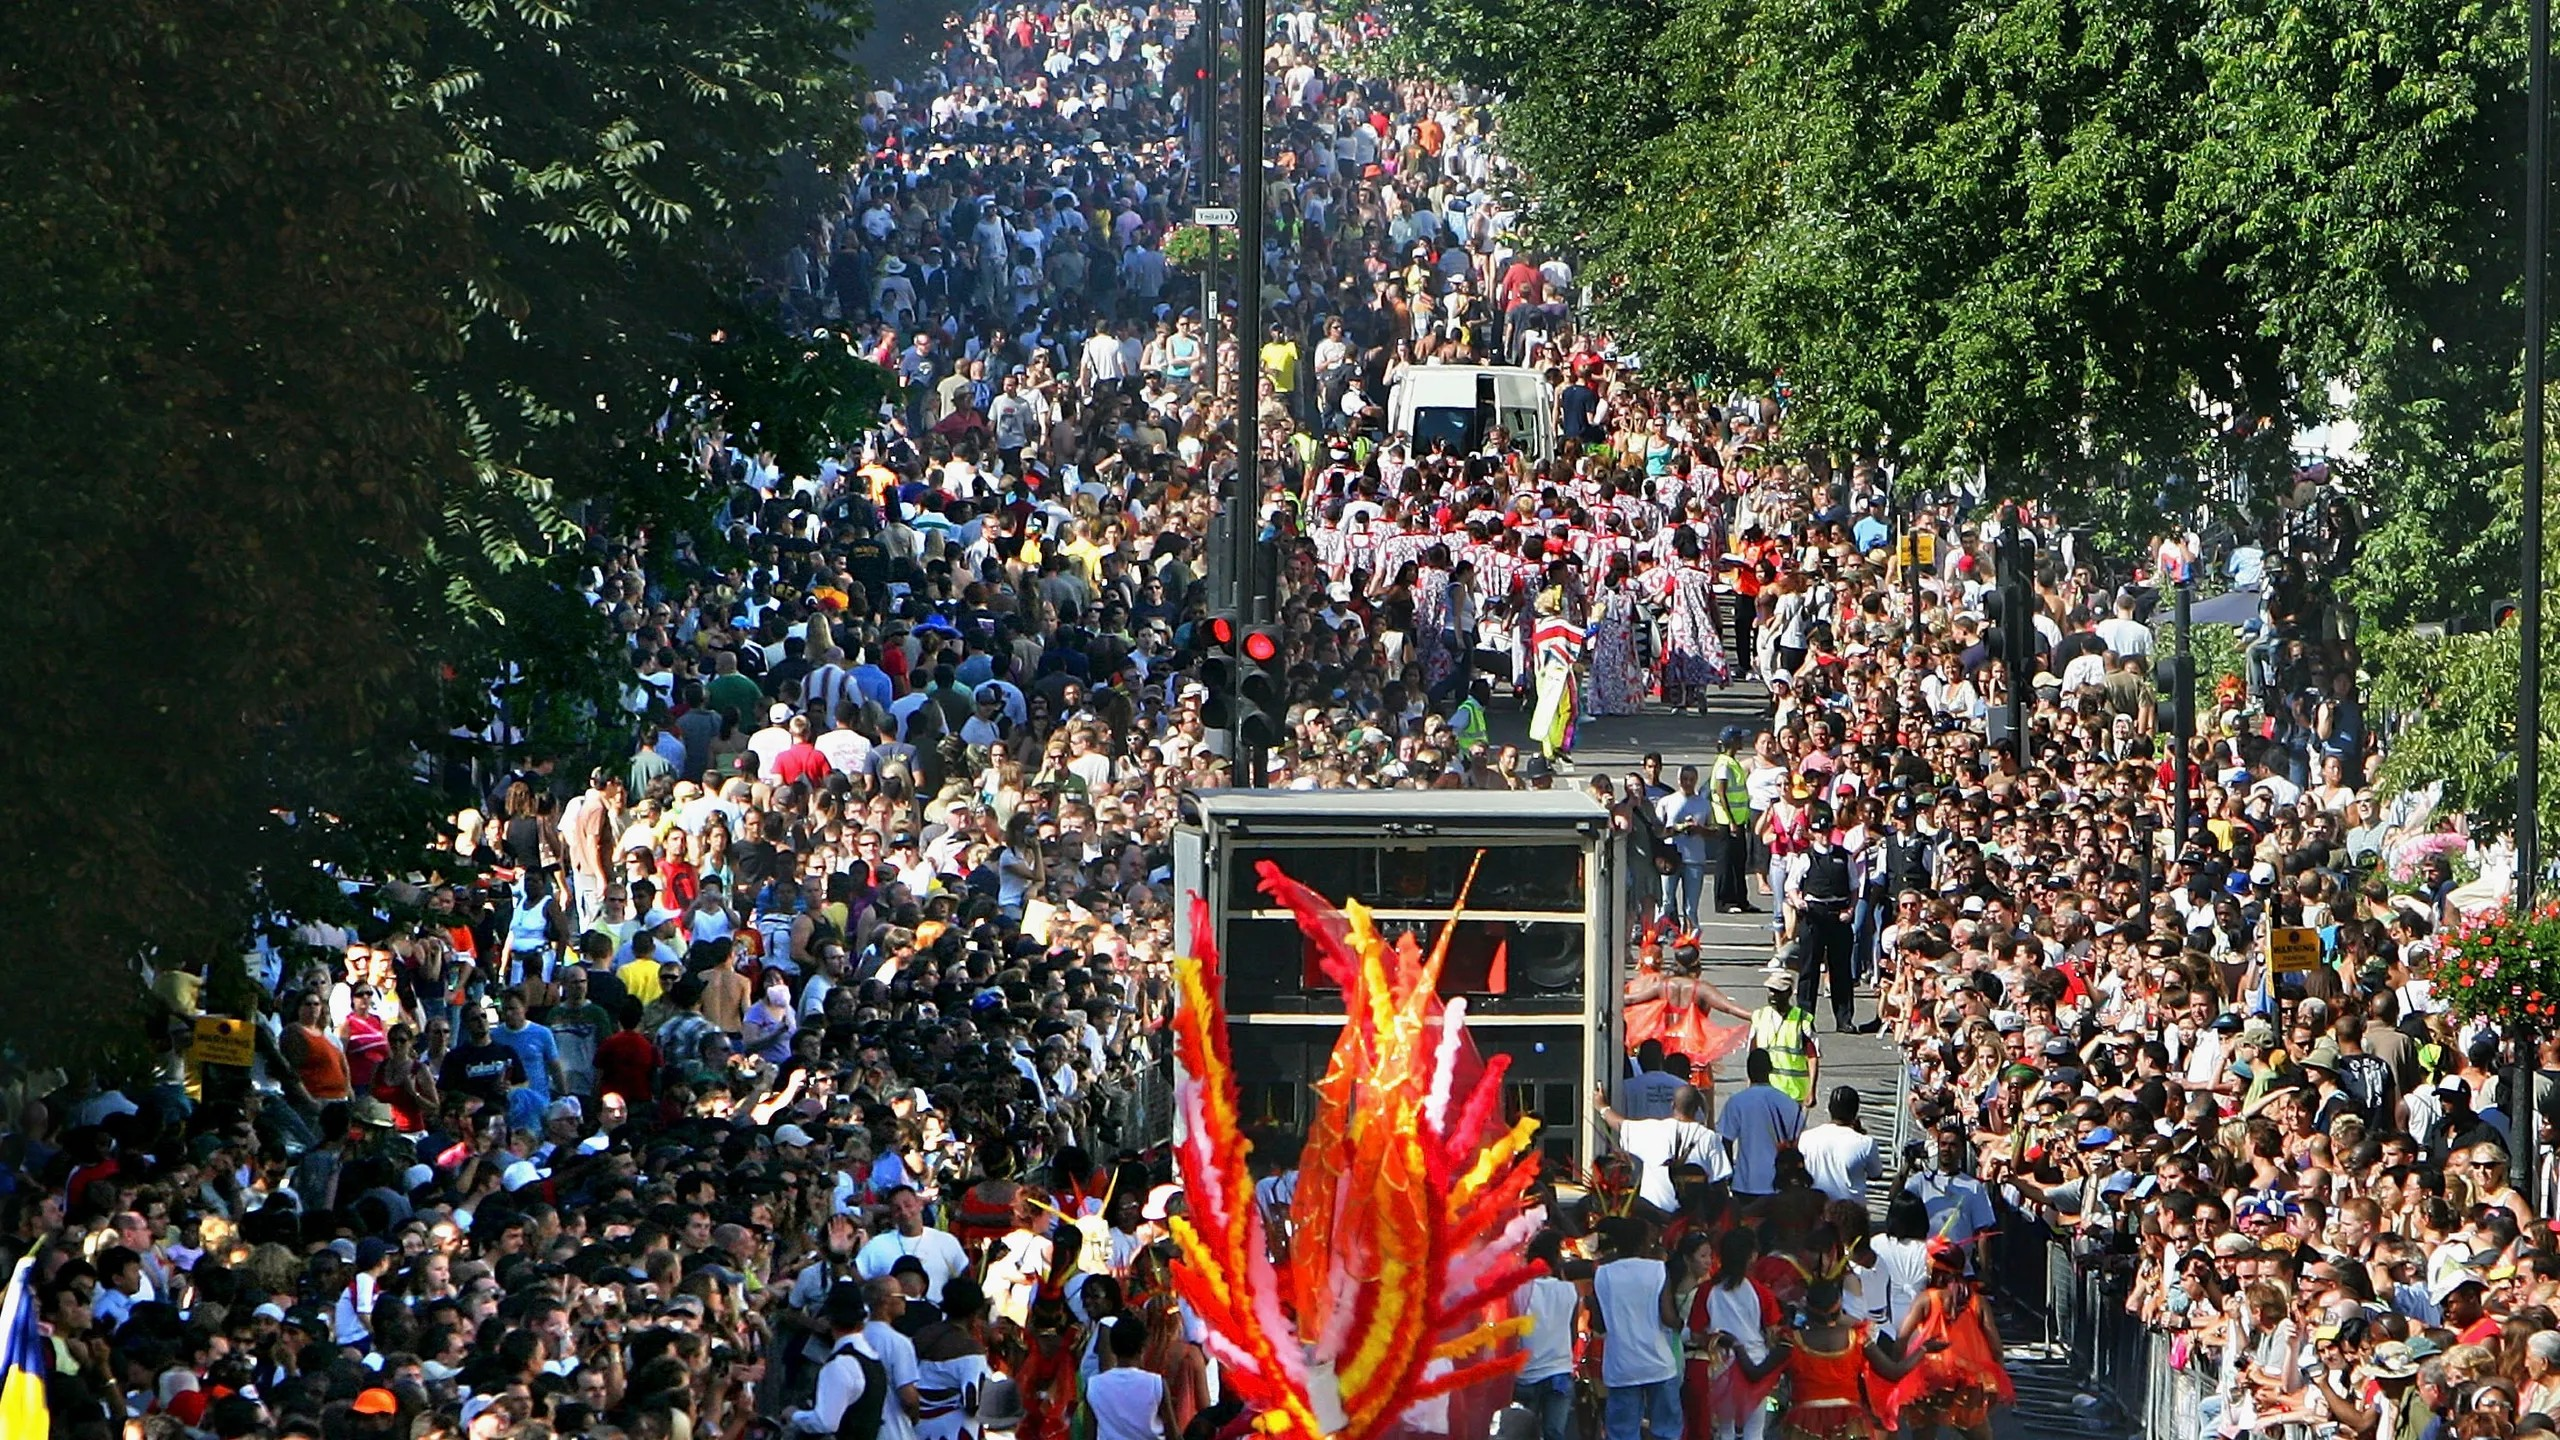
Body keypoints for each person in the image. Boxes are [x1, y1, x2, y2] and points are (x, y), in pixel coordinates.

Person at [1772, 1279, 1941, 1440]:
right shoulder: (1857, 1338)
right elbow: (1894, 1372)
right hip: (1849, 1421)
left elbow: (1760, 1374)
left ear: (1807, 1308)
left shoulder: (1791, 1341)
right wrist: (1924, 1349)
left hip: (1804, 1421)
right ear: (1839, 1307)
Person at [1880, 1241, 2012, 1440]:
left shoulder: (1926, 1299)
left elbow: (1901, 1339)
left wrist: (1894, 1371)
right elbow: (1995, 1343)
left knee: (1924, 1433)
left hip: (1929, 1377)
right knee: (1981, 1436)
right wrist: (1998, 1375)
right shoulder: (1977, 1300)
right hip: (1967, 1380)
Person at [1592, 1215, 1684, 1440]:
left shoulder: (1602, 1274)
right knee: (1667, 1430)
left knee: (1623, 1432)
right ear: (1643, 1243)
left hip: (1621, 1365)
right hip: (1658, 1362)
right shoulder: (1658, 1271)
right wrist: (1681, 1325)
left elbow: (1599, 1323)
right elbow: (1668, 1316)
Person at [1717, 1050, 1804, 1200]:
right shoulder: (1789, 1103)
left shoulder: (1737, 1102)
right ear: (1770, 1069)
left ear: (1748, 1071)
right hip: (1781, 1185)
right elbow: (1799, 1143)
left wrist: (1729, 1175)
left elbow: (1726, 1142)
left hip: (1745, 1184)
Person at [1746, 972, 1819, 1107]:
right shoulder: (1760, 1016)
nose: (1773, 995)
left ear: (1789, 993)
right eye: (1770, 990)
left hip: (1793, 1093)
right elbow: (1752, 1054)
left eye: (1778, 991)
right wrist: (1750, 1086)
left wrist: (1811, 1091)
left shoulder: (1802, 1019)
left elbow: (1812, 1057)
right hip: (1765, 1092)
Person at [1798, 1086, 1879, 1205]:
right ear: (1855, 1111)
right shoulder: (1865, 1142)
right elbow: (1875, 1174)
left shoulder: (1806, 1137)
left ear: (1829, 1109)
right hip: (1851, 1212)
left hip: (1817, 1210)